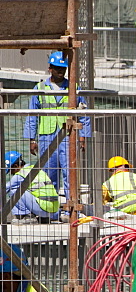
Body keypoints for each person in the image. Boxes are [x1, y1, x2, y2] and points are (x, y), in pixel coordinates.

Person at [23, 51, 91, 199]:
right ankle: (51, 210)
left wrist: (83, 137)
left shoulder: (73, 87)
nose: (60, 71)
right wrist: (31, 139)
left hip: (68, 136)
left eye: (63, 68)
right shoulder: (40, 88)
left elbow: (84, 114)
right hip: (46, 137)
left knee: (70, 174)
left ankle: (71, 209)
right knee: (49, 175)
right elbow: (32, 115)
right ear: (50, 69)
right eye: (57, 68)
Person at [4, 150, 60, 224]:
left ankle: (28, 216)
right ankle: (44, 218)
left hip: (42, 207)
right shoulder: (35, 169)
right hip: (53, 209)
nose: (11, 174)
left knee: (14, 190)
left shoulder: (20, 174)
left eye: (11, 170)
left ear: (16, 166)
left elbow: (4, 189)